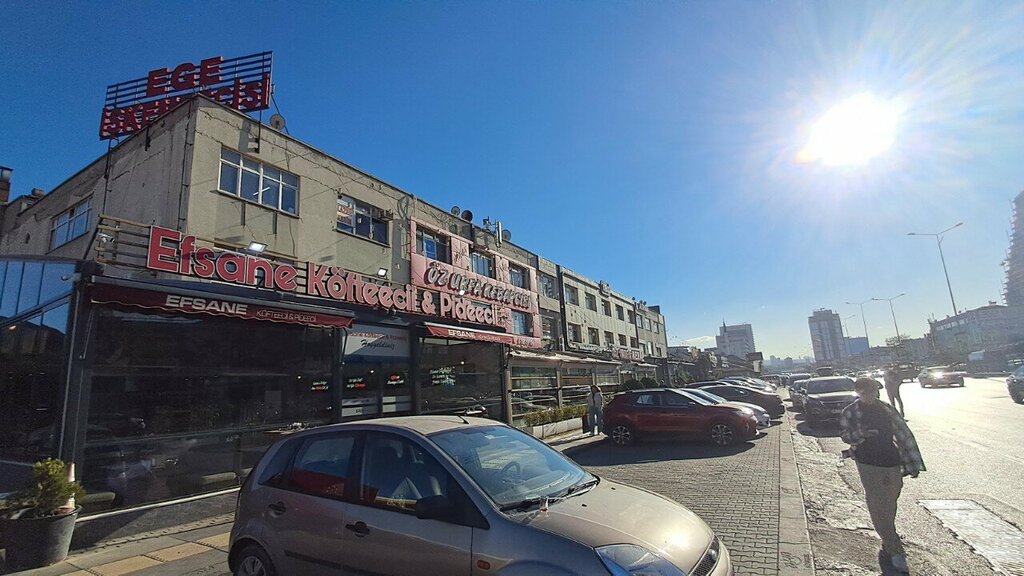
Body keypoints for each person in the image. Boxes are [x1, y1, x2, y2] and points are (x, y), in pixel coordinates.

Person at [840, 378, 926, 574]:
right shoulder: (851, 412)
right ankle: (896, 551)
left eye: (874, 392)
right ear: (859, 393)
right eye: (867, 392)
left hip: (891, 461)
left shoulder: (886, 409)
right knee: (878, 506)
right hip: (868, 463)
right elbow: (845, 435)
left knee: (890, 503)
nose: (872, 395)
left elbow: (904, 434)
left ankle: (888, 541)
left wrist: (913, 464)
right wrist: (862, 433)